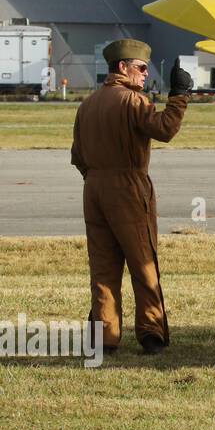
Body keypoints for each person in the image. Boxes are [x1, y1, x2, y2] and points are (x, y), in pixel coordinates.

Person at [70, 40, 192, 355]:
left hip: (93, 189)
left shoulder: (88, 104)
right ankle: (151, 333)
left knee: (103, 268)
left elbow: (78, 156)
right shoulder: (131, 101)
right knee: (143, 262)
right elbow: (165, 129)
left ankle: (104, 337)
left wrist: (98, 179)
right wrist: (179, 97)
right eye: (140, 67)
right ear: (122, 67)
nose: (145, 73)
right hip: (128, 186)